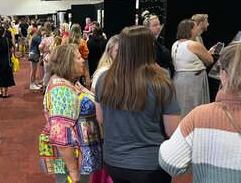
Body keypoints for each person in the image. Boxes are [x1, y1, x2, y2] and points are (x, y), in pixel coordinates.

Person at [94, 26, 181, 183]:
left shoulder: (104, 79)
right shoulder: (161, 82)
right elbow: (172, 130)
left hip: (113, 161)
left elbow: (100, 118)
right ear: (149, 48)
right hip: (150, 164)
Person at [159, 42, 241, 183]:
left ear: (223, 73)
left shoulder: (201, 115)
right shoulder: (194, 45)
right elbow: (208, 60)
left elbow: (170, 162)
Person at [39, 44, 103, 183]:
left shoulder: (71, 81)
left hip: (79, 156)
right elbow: (61, 136)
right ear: (67, 62)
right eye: (78, 57)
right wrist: (74, 173)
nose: (82, 60)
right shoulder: (61, 89)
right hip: (73, 159)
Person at [171, 19, 214, 117]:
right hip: (193, 79)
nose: (198, 30)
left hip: (178, 78)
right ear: (189, 30)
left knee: (181, 106)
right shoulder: (194, 44)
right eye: (195, 27)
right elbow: (210, 60)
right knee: (193, 107)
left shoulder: (175, 44)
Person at [0, 27, 15, 98]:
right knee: (6, 75)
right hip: (6, 60)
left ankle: (0, 91)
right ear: (4, 32)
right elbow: (12, 50)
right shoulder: (7, 40)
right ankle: (5, 93)